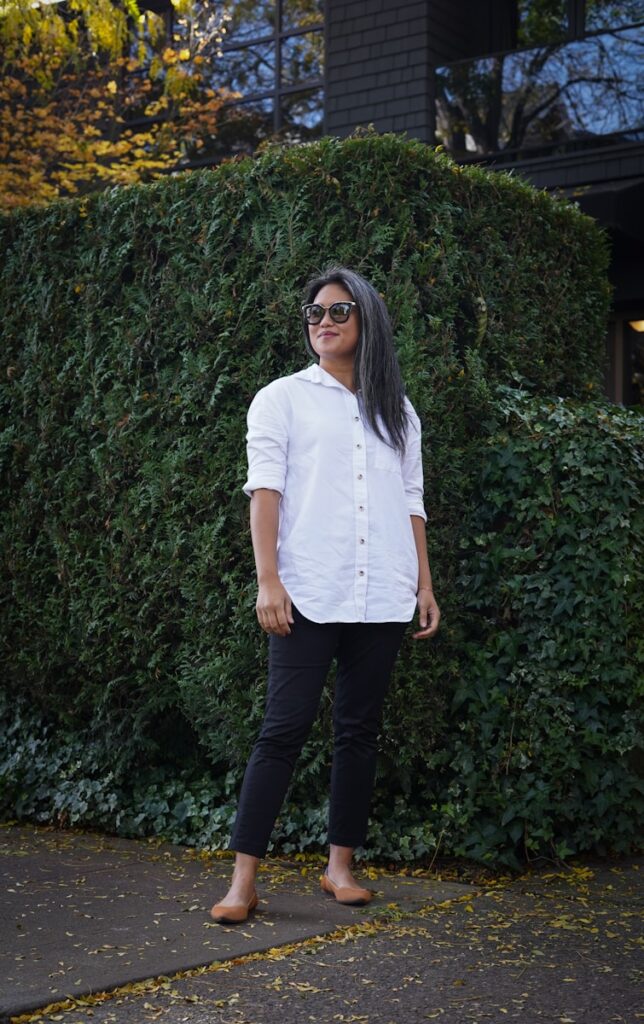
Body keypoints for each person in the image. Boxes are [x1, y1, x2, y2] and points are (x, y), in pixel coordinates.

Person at [210, 266, 440, 924]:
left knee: (359, 733)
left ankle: (339, 867)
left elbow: (412, 504)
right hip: (308, 590)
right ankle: (242, 881)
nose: (324, 322)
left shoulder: (399, 410)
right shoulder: (281, 399)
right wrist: (268, 580)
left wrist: (423, 583)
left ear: (368, 317)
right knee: (281, 731)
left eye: (338, 311)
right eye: (314, 313)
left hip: (383, 595)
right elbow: (265, 493)